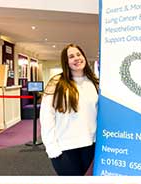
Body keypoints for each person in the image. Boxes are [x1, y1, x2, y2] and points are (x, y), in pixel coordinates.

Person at [39, 44, 99, 176]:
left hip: (90, 145)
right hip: (65, 147)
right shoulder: (56, 83)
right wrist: (52, 148)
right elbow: (46, 117)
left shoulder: (94, 82)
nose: (76, 58)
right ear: (66, 62)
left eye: (79, 54)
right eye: (71, 56)